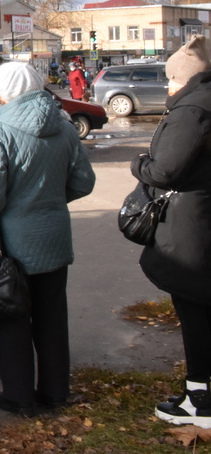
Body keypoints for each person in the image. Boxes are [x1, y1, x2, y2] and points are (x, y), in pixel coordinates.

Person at [0, 62, 95, 416]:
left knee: (12, 320)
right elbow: (83, 183)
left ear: (3, 92)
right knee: (53, 317)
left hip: (10, 245)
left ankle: (19, 397)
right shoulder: (66, 127)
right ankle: (56, 392)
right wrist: (52, 201)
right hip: (55, 237)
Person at [130, 35, 211, 428]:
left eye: (169, 80)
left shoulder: (191, 109)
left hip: (191, 226)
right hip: (201, 218)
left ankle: (200, 398)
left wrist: (139, 164)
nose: (167, 87)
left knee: (194, 305)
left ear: (181, 78)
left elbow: (166, 169)